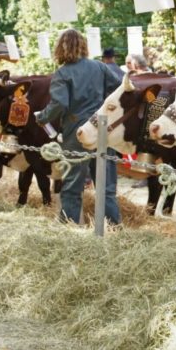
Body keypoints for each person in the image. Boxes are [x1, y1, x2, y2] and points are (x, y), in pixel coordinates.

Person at [35, 29, 122, 225]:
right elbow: (118, 89)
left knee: (73, 186)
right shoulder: (100, 67)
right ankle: (115, 229)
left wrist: (42, 117)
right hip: (101, 130)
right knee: (106, 187)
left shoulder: (62, 73)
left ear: (60, 48)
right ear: (83, 45)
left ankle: (70, 228)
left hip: (76, 133)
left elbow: (60, 104)